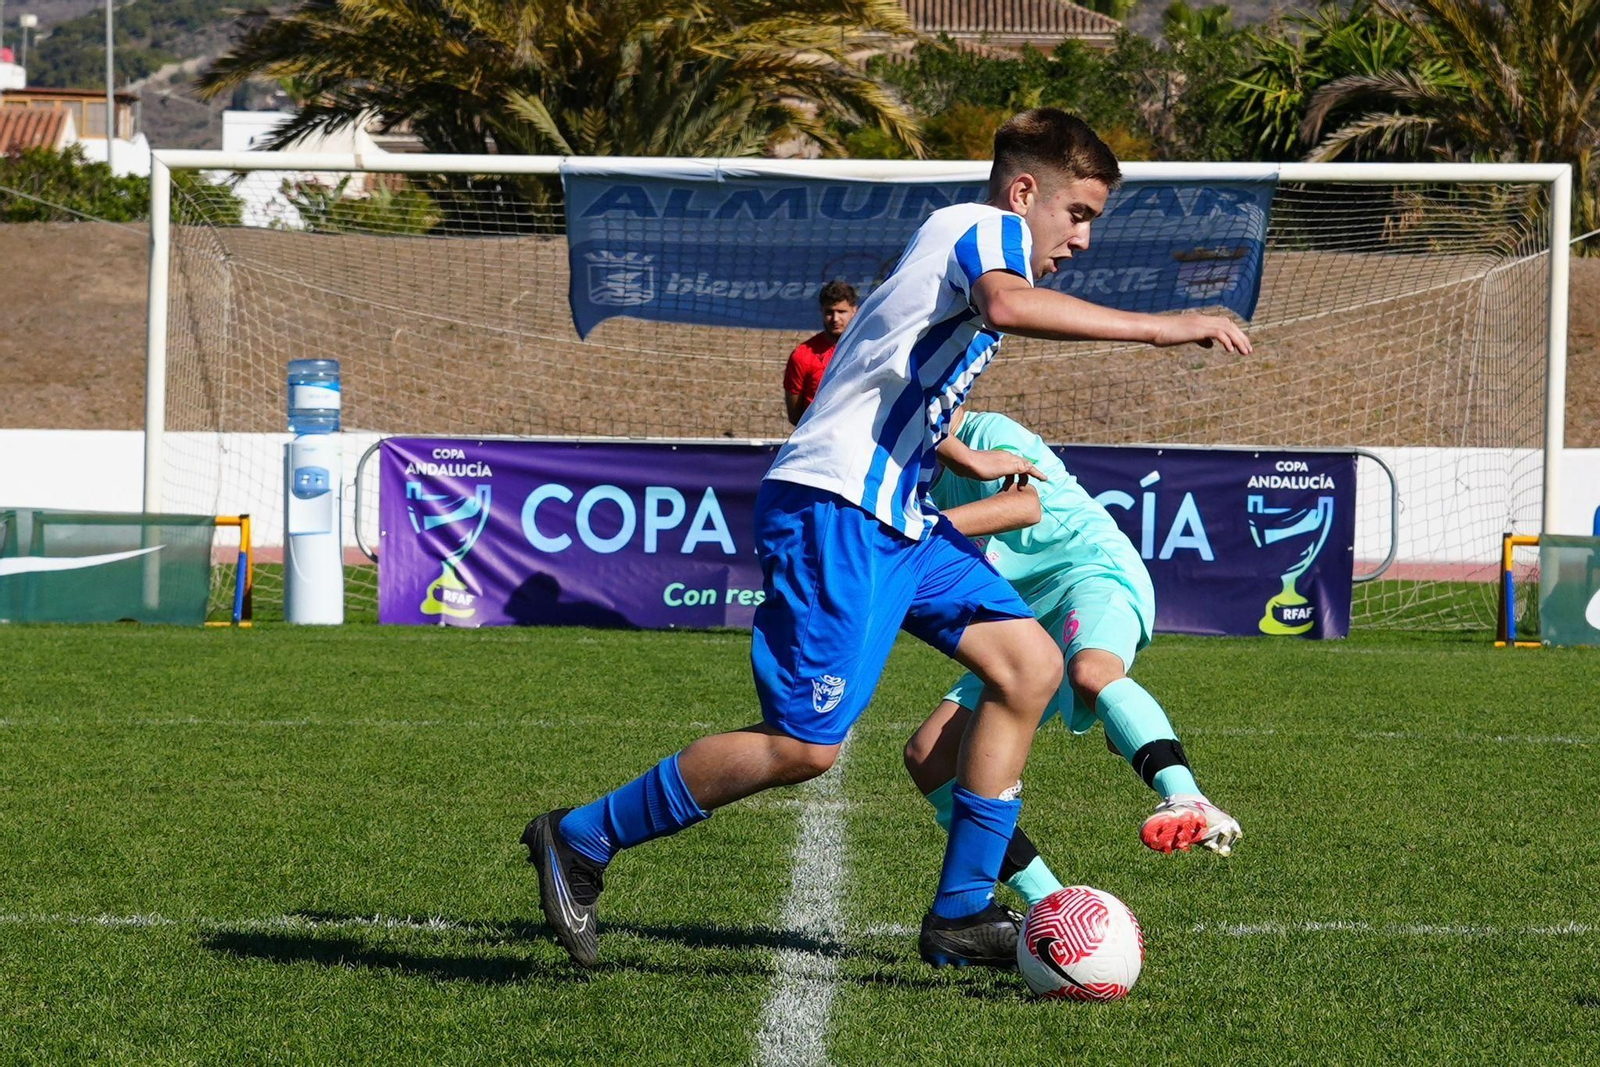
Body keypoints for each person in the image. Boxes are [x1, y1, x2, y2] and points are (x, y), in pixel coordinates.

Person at [523, 108, 1251, 971]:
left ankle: (961, 912)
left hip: (899, 518)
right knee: (805, 747)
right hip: (837, 511)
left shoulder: (955, 251)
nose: (1084, 239)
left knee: (1030, 666)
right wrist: (1166, 325)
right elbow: (1008, 305)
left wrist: (957, 451)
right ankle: (579, 838)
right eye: (1079, 214)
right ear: (1024, 192)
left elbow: (884, 365)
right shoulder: (976, 227)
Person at [904, 408, 1242, 910]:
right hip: (1022, 619)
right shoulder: (914, 482)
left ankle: (1188, 796)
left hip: (1089, 575)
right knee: (929, 755)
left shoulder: (991, 433)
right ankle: (1052, 905)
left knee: (1090, 673)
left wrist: (904, 531)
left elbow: (1024, 507)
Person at [783, 281, 858, 425]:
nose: (835, 319)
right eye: (829, 312)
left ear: (854, 311)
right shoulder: (802, 355)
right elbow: (795, 416)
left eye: (841, 312)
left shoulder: (866, 350)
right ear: (821, 312)